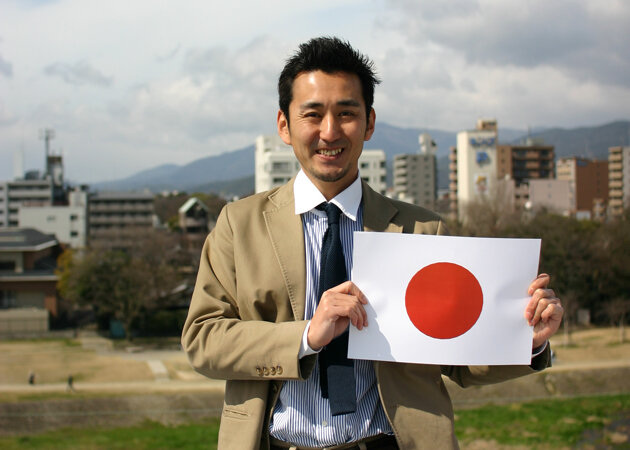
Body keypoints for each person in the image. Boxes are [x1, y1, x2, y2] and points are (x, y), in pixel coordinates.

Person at [181, 36, 564, 450]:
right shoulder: (239, 225)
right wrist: (307, 335)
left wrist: (527, 338)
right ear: (284, 126)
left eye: (346, 113)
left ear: (369, 123)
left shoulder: (421, 229)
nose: (330, 131)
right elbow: (203, 339)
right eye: (313, 114)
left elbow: (457, 358)